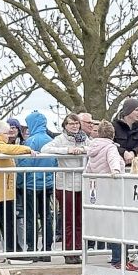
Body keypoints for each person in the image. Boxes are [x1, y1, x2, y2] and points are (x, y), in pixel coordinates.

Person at [0, 120, 36, 264]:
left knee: (7, 223)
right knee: (8, 223)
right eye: (7, 133)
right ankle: (13, 252)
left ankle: (13, 250)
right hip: (0, 192)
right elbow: (7, 149)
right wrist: (27, 149)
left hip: (2, 191)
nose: (9, 136)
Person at [85, 120, 135, 270]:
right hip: (113, 190)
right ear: (112, 135)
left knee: (112, 226)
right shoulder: (110, 147)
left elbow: (89, 169)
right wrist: (116, 171)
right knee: (119, 226)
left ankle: (117, 258)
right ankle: (119, 259)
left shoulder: (93, 148)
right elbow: (113, 162)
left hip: (100, 190)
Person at [43, 113, 88, 264]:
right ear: (65, 126)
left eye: (76, 123)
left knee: (79, 219)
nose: (74, 126)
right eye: (71, 124)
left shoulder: (84, 138)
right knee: (69, 219)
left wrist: (83, 149)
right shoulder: (60, 139)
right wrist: (67, 150)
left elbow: (93, 148)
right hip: (65, 184)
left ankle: (78, 250)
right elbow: (45, 149)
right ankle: (68, 251)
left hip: (81, 183)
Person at [18, 111, 57, 261]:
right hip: (47, 184)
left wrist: (19, 183)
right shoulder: (50, 140)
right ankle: (47, 249)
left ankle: (32, 249)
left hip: (31, 185)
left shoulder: (30, 142)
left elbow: (24, 165)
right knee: (46, 216)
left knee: (31, 218)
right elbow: (55, 163)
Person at [112, 98, 138, 164]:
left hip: (135, 166)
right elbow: (107, 144)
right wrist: (123, 152)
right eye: (137, 110)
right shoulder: (114, 126)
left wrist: (134, 152)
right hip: (117, 165)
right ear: (128, 110)